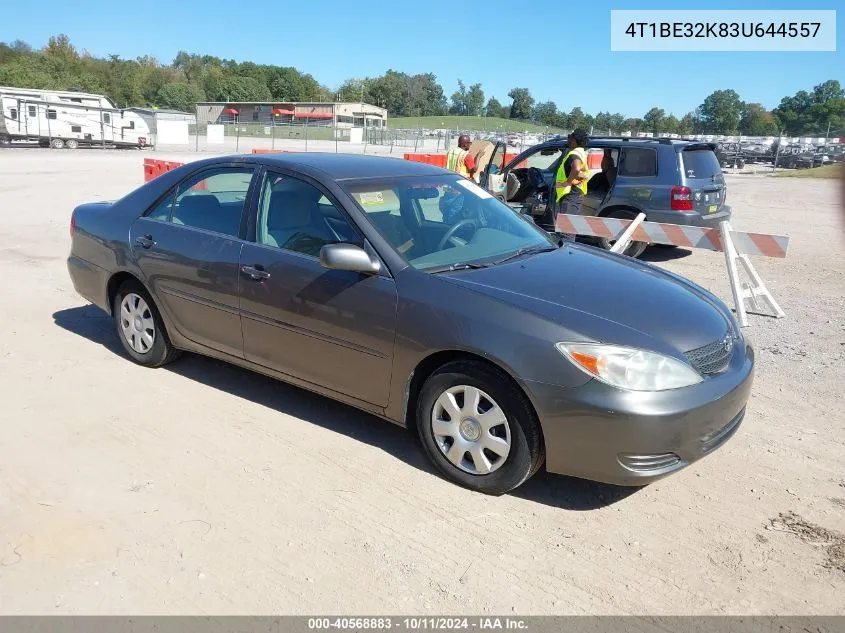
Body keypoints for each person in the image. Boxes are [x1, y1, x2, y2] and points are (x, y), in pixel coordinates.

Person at [553, 129, 591, 225]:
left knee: (566, 229)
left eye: (570, 138)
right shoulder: (582, 152)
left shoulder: (574, 154)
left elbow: (577, 169)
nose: (568, 141)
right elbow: (581, 172)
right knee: (569, 227)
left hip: (570, 195)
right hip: (575, 194)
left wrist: (567, 182)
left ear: (574, 140)